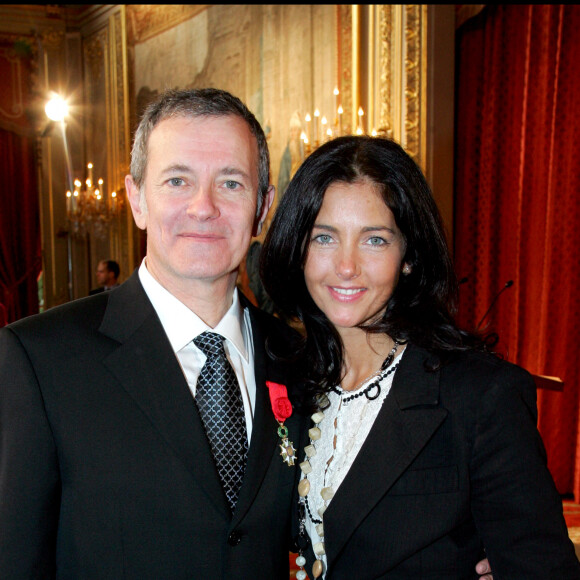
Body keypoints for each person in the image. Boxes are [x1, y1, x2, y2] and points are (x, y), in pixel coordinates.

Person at [0, 88, 306, 578]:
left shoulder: (300, 360)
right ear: (137, 199)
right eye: (178, 180)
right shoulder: (40, 360)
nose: (203, 207)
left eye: (231, 183)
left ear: (262, 208)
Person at [260, 135, 580, 579]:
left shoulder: (478, 396)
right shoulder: (287, 380)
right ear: (298, 249)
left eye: (374, 240)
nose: (346, 266)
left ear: (408, 256)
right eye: (324, 238)